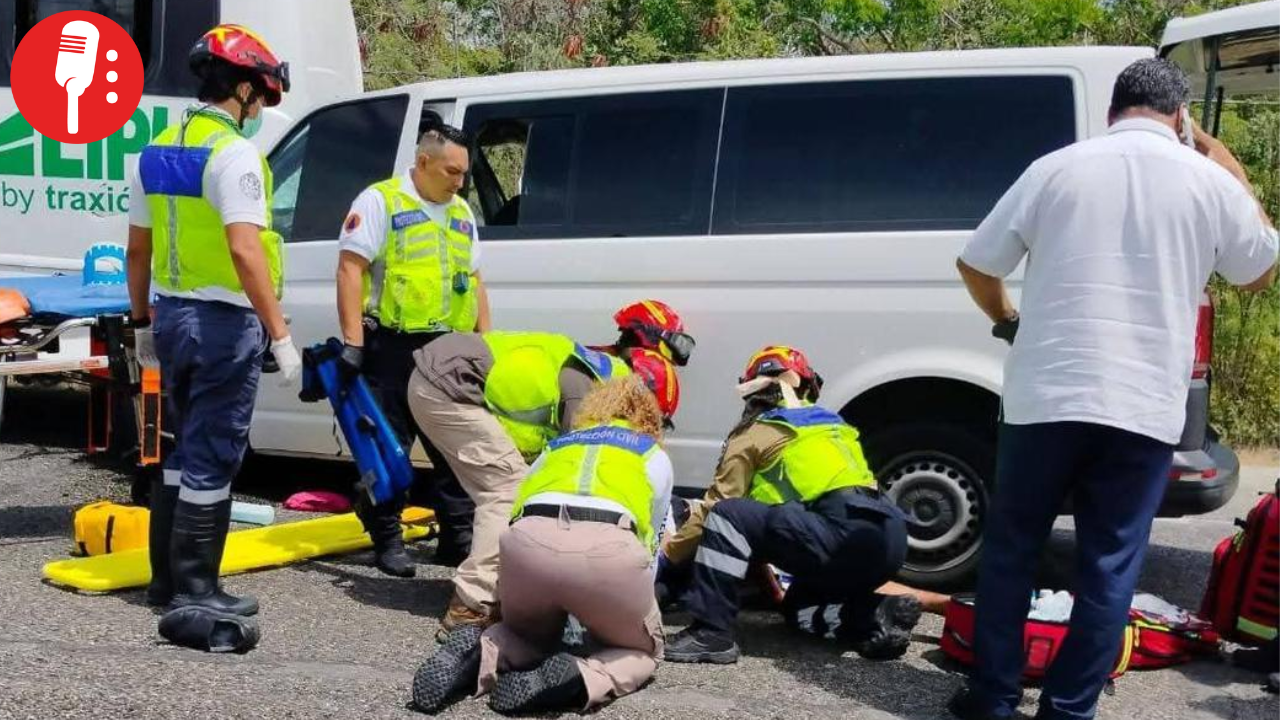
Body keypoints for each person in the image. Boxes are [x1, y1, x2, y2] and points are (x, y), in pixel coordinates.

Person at [948, 58, 1278, 720]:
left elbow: (977, 262)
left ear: (1111, 113)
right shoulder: (1206, 182)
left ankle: (992, 699)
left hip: (1045, 397)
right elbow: (1259, 272)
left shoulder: (1057, 168)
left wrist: (1008, 319)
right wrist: (1220, 157)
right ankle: (1069, 710)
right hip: (1142, 409)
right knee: (1109, 564)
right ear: (1180, 118)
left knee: (1013, 550)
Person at [125, 24, 300, 650]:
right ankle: (198, 588)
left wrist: (143, 323)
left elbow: (138, 249)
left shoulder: (157, 151)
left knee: (175, 448)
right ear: (247, 90)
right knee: (213, 454)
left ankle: (165, 580)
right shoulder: (234, 155)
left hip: (171, 319)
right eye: (263, 98)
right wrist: (279, 334)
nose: (260, 111)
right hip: (224, 324)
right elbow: (245, 249)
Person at [406, 305, 690, 635]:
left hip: (448, 376)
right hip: (447, 384)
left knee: (522, 483)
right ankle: (471, 606)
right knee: (506, 490)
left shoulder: (600, 375)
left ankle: (508, 587)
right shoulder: (589, 394)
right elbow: (580, 478)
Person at [412, 374, 677, 715]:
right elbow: (650, 546)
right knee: (642, 653)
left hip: (527, 542)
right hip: (608, 550)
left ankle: (483, 652)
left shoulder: (557, 447)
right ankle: (579, 676)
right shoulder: (652, 455)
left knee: (527, 637)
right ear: (650, 419)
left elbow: (515, 509)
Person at [661, 345, 921, 664]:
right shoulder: (832, 426)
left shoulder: (755, 432)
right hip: (890, 539)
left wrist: (668, 559)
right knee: (799, 609)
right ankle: (873, 616)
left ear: (752, 393)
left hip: (836, 533)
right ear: (809, 387)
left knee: (727, 515)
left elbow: (717, 506)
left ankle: (711, 633)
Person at [334, 123, 489, 578]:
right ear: (423, 163)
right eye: (452, 171)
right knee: (391, 444)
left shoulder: (462, 212)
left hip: (451, 349)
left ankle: (457, 536)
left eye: (464, 173)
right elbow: (349, 270)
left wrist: (486, 343)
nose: (460, 181)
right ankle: (386, 537)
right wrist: (353, 345)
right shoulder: (381, 201)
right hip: (393, 346)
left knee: (455, 446)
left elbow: (476, 282)